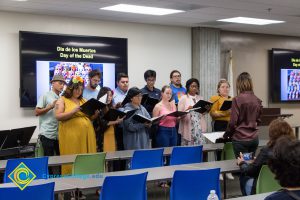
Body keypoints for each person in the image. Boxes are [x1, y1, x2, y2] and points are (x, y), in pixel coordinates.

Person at [237, 119, 296, 196]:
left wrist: (242, 163)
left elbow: (250, 171)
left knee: (243, 176)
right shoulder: (295, 150)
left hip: (263, 189)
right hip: (290, 190)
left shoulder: (266, 151)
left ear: (272, 134)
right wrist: (257, 161)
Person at [55, 75, 97, 175]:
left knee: (87, 161)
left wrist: (95, 114)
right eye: (77, 89)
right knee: (73, 159)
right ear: (71, 88)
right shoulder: (62, 99)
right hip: (71, 137)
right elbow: (58, 116)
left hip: (86, 136)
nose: (79, 92)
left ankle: (87, 185)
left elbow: (90, 118)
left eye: (81, 89)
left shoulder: (84, 100)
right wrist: (73, 111)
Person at [224, 72, 263, 158]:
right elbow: (259, 120)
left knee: (241, 167)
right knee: (250, 166)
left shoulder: (237, 99)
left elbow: (232, 122)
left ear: (239, 84)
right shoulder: (257, 100)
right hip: (254, 139)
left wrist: (226, 135)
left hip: (240, 139)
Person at [35, 74, 65, 157]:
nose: (62, 86)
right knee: (49, 160)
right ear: (53, 83)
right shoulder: (45, 95)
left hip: (58, 134)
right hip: (47, 134)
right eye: (60, 83)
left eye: (63, 84)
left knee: (61, 159)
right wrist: (50, 107)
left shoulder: (62, 98)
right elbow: (36, 112)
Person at [178, 78, 207, 146]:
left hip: (199, 126)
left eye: (196, 86)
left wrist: (206, 109)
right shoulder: (183, 98)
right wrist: (187, 110)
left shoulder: (200, 98)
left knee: (200, 149)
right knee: (188, 149)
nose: (194, 88)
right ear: (188, 87)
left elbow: (203, 113)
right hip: (189, 126)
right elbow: (179, 115)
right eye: (192, 86)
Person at [94, 87, 123, 152]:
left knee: (112, 156)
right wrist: (116, 121)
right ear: (103, 96)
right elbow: (103, 123)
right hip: (103, 136)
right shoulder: (99, 107)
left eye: (111, 95)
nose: (110, 97)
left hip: (111, 133)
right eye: (108, 96)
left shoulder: (109, 107)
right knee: (104, 157)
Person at [140, 69, 161, 148]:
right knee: (147, 142)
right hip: (146, 120)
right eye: (149, 80)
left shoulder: (158, 91)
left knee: (156, 142)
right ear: (146, 80)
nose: (151, 82)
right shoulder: (141, 92)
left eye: (153, 80)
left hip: (156, 120)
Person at [169, 70, 186, 146]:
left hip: (184, 117)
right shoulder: (169, 89)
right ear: (171, 79)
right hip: (175, 118)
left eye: (179, 76)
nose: (177, 78)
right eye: (175, 76)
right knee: (176, 142)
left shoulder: (185, 90)